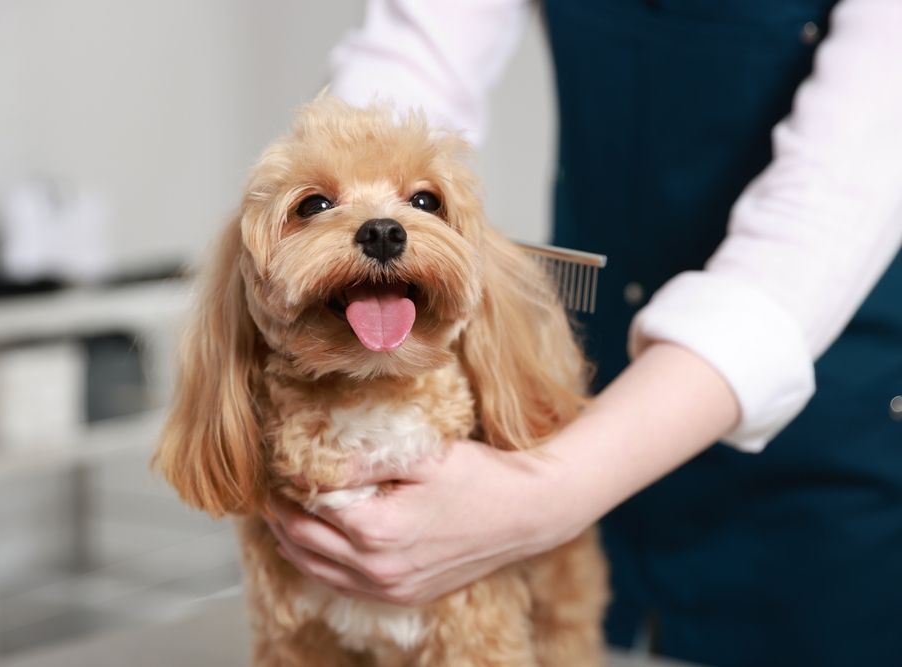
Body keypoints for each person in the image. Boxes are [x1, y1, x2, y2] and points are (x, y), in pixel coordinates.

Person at [264, 1, 902, 665]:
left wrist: (544, 496)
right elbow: (413, 60)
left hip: (819, 435)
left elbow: (826, 210)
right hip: (581, 386)